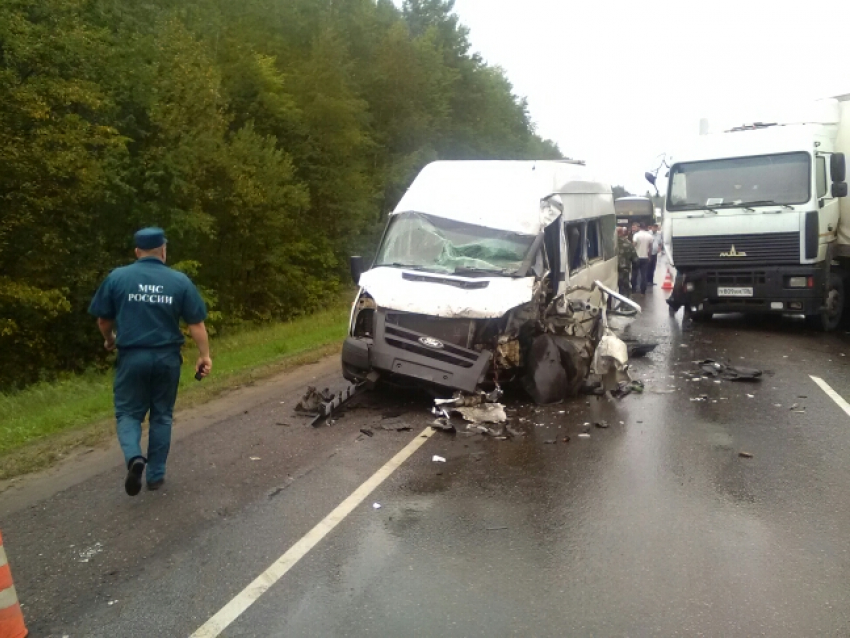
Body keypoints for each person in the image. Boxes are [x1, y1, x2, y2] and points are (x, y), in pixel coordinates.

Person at [89, 227, 212, 496]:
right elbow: (196, 323)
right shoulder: (179, 281)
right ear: (163, 250)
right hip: (167, 359)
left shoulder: (118, 277)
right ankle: (155, 475)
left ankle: (134, 458)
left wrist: (109, 339)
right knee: (162, 416)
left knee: (129, 413)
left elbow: (103, 319)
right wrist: (204, 355)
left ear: (137, 252)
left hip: (132, 357)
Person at [631, 223, 654, 294]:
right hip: (645, 258)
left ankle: (634, 289)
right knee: (644, 274)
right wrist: (649, 256)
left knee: (634, 273)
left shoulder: (636, 235)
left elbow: (633, 245)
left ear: (639, 227)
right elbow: (650, 248)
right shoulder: (650, 236)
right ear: (646, 227)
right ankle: (643, 290)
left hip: (636, 257)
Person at [617, 227, 637, 296]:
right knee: (625, 290)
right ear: (622, 233)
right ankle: (625, 305)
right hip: (624, 272)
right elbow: (635, 259)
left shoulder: (610, 244)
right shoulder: (628, 243)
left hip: (610, 272)